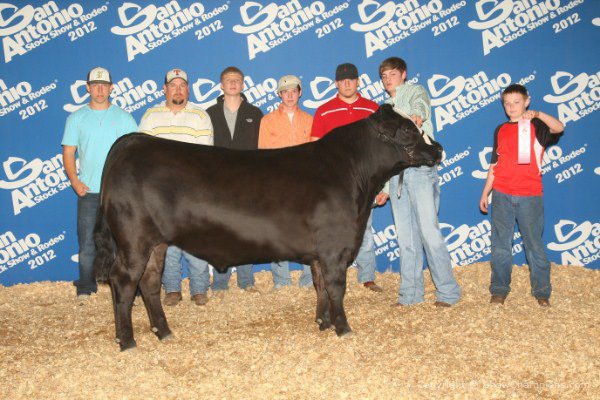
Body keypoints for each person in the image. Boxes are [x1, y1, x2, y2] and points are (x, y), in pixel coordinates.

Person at [379, 57, 461, 307]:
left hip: (421, 171)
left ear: (403, 74)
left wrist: (417, 115)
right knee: (406, 239)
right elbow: (385, 150)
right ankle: (410, 295)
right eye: (383, 76)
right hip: (396, 175)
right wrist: (384, 187)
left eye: (392, 74)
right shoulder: (384, 107)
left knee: (429, 233)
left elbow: (421, 105)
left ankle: (448, 293)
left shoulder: (415, 90)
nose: (388, 79)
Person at [479, 83, 564, 307]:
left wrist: (537, 114)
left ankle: (542, 291)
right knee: (500, 245)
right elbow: (494, 164)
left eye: (516, 102)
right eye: (507, 103)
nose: (511, 107)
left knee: (534, 245)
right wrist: (486, 191)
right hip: (501, 194)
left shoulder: (536, 124)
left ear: (527, 101)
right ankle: (499, 289)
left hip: (530, 195)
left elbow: (559, 127)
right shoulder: (500, 129)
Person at [138, 68, 214, 306]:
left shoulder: (200, 116)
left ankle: (199, 289)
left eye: (182, 85)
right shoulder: (151, 116)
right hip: (161, 192)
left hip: (192, 191)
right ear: (165, 89)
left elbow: (205, 157)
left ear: (188, 89)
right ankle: (172, 288)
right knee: (166, 243)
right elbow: (144, 155)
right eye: (173, 85)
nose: (178, 89)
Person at [62, 67, 137, 301]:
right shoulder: (76, 118)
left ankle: (122, 288)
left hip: (118, 194)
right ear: (87, 88)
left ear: (112, 87)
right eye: (95, 84)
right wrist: (75, 181)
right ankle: (85, 287)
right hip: (90, 192)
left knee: (123, 243)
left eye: (104, 85)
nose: (100, 89)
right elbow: (68, 152)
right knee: (86, 243)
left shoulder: (124, 118)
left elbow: (135, 154)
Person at [311, 63, 385, 292]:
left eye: (351, 80)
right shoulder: (324, 110)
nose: (346, 84)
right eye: (342, 81)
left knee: (365, 229)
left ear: (358, 82)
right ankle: (331, 275)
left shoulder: (373, 109)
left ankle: (367, 276)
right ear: (336, 84)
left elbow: (382, 150)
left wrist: (382, 185)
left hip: (365, 182)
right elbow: (314, 148)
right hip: (334, 185)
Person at [206, 66, 263, 293]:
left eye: (237, 80)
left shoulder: (255, 113)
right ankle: (220, 282)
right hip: (218, 184)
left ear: (242, 84)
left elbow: (262, 150)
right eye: (228, 80)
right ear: (221, 84)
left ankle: (246, 281)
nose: (232, 83)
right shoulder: (209, 114)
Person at [258, 75, 313, 289]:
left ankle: (308, 278)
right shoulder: (267, 121)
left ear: (300, 93)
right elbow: (262, 156)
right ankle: (281, 280)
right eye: (285, 91)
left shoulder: (310, 120)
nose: (289, 95)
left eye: (293, 91)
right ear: (279, 94)